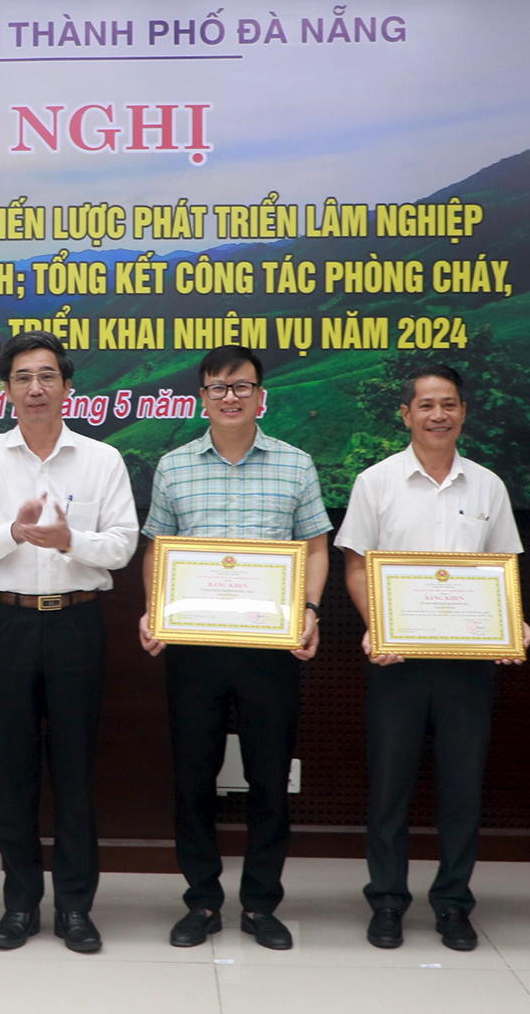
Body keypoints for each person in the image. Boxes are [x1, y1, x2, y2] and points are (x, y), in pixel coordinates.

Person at [0, 331, 140, 953]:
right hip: (7, 622)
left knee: (76, 767)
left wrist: (68, 541)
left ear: (67, 386)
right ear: (6, 391)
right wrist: (15, 531)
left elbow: (122, 545)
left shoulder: (100, 460)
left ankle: (77, 909)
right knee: (13, 768)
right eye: (23, 377)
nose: (36, 387)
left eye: (48, 376)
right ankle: (20, 905)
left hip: (77, 623)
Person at [137, 346, 329, 952]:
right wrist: (155, 610)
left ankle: (260, 904)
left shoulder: (295, 465)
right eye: (218, 387)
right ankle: (201, 900)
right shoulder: (173, 466)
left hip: (270, 648)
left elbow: (317, 547)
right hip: (194, 647)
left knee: (269, 778)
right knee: (193, 775)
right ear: (203, 396)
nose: (230, 397)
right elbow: (156, 550)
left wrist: (309, 610)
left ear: (259, 395)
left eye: (241, 386)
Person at [336, 363, 529, 952]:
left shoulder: (488, 486)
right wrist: (381, 628)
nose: (437, 415)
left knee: (462, 786)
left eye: (448, 404)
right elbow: (357, 566)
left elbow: (505, 571)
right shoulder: (376, 482)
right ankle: (388, 901)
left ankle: (453, 903)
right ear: (406, 414)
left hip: (468, 662)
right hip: (397, 662)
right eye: (425, 405)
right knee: (389, 784)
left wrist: (511, 623)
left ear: (463, 412)